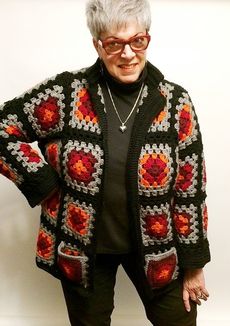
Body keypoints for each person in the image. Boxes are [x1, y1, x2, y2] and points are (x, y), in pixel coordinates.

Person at [0, 0, 210, 325]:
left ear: (147, 38)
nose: (127, 54)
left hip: (158, 248)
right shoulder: (67, 94)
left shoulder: (174, 103)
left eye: (137, 41)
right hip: (83, 248)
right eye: (114, 44)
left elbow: (189, 191)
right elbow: (3, 127)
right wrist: (42, 183)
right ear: (97, 44)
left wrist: (194, 265)